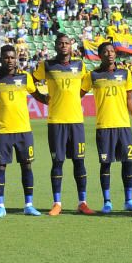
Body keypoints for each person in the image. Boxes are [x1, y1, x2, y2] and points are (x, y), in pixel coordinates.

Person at [32, 34, 92, 216]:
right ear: (56, 46)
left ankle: (82, 202)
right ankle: (57, 203)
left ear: (71, 46)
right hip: (56, 122)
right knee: (57, 162)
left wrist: (75, 97)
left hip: (76, 122)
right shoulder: (47, 65)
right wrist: (41, 97)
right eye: (60, 43)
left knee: (79, 162)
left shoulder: (80, 65)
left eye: (67, 43)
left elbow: (86, 84)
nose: (64, 46)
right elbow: (30, 81)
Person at [0, 45, 41, 216]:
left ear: (16, 59)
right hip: (3, 131)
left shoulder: (25, 77)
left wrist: (55, 100)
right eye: (6, 57)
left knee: (26, 166)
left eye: (12, 57)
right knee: (0, 167)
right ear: (0, 59)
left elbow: (38, 96)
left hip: (24, 131)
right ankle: (0, 206)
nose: (10, 60)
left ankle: (28, 204)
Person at [84, 42, 132, 213]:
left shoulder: (125, 73)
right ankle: (107, 202)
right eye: (105, 52)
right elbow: (78, 93)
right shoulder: (93, 75)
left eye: (112, 51)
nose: (110, 54)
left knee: (128, 163)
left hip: (123, 126)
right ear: (100, 55)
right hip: (104, 126)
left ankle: (129, 200)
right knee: (105, 164)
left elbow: (129, 100)